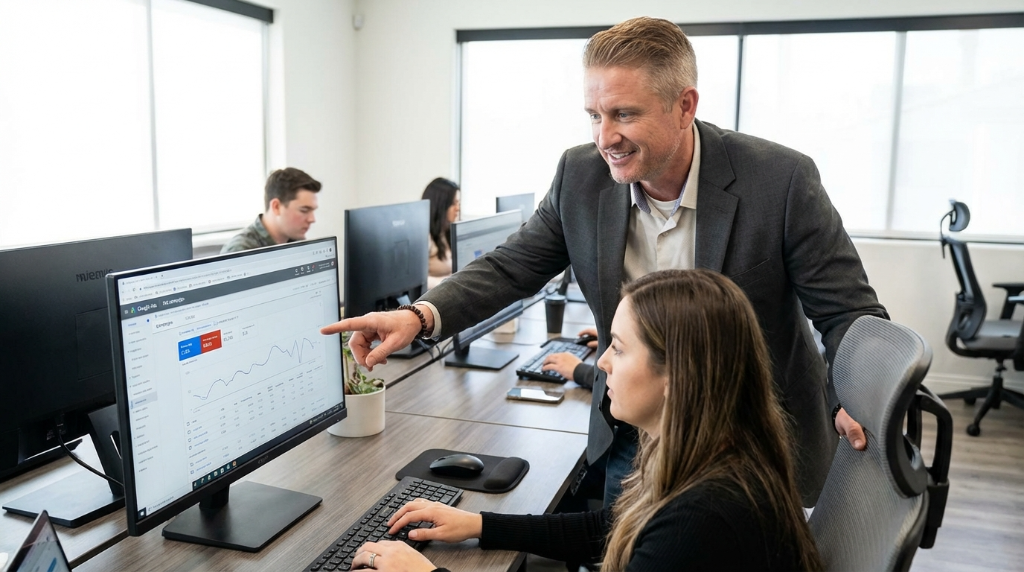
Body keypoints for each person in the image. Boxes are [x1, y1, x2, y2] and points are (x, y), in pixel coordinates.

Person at [322, 16, 888, 507]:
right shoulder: (581, 175)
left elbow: (851, 315)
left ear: (685, 105)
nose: (604, 137)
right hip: (635, 435)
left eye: (623, 114)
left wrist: (854, 397)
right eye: (593, 114)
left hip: (751, 441)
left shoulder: (779, 181)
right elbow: (512, 265)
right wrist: (420, 316)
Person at [350, 270, 824, 572]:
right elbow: (613, 527)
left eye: (618, 348)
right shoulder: (713, 454)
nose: (600, 364)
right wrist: (479, 523)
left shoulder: (704, 518)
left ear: (676, 375)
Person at [221, 167, 321, 253]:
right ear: (276, 207)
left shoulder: (295, 242)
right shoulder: (240, 250)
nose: (312, 219)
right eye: (304, 210)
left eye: (313, 210)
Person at [421, 178, 461, 288]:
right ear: (440, 206)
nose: (458, 208)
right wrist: (452, 281)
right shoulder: (425, 237)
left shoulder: (447, 231)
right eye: (453, 203)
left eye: (459, 203)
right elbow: (417, 283)